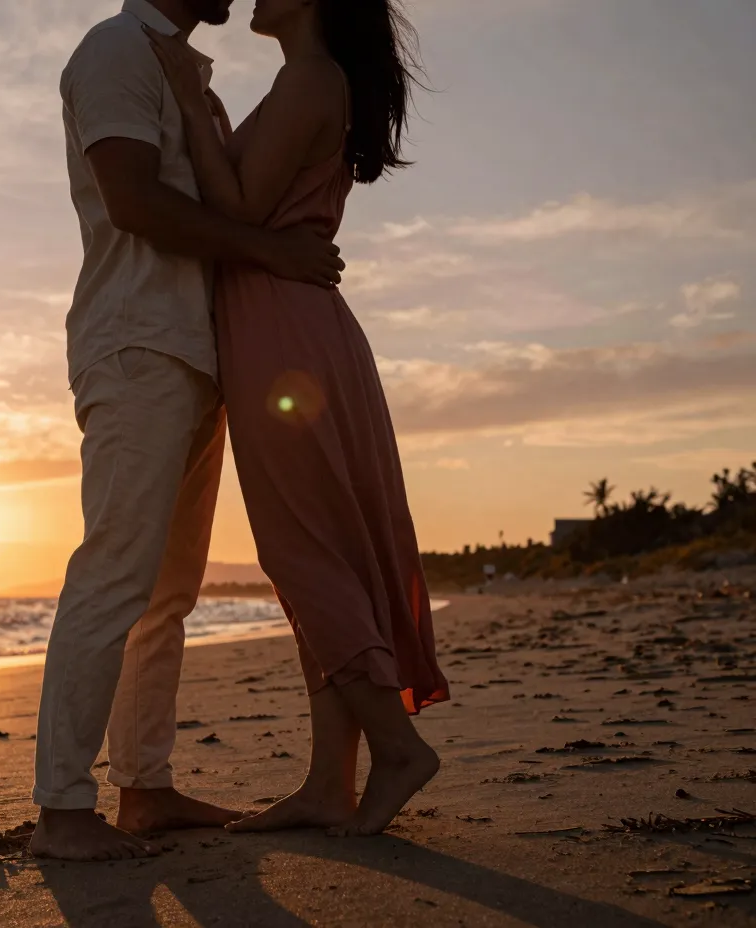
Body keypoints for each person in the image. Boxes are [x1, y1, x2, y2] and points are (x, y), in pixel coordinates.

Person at [30, 0, 346, 862]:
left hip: (194, 353)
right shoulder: (115, 49)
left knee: (168, 591)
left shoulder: (181, 70)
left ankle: (145, 788)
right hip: (137, 345)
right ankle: (62, 809)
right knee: (115, 572)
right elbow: (132, 200)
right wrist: (267, 252)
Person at [146, 0, 450, 837]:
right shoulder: (311, 81)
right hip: (289, 323)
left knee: (300, 549)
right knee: (320, 548)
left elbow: (241, 210)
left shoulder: (311, 80)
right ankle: (326, 784)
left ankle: (396, 747)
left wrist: (190, 101)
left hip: (281, 329)